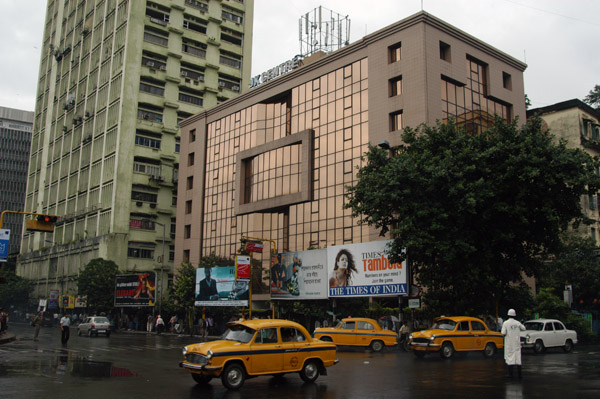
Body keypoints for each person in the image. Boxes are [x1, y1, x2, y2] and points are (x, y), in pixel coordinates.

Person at [501, 309, 525, 379]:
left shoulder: (505, 323)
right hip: (516, 344)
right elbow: (523, 328)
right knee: (518, 359)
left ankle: (510, 374)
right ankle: (520, 375)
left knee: (509, 359)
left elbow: (503, 333)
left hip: (509, 344)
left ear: (508, 315)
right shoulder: (517, 323)